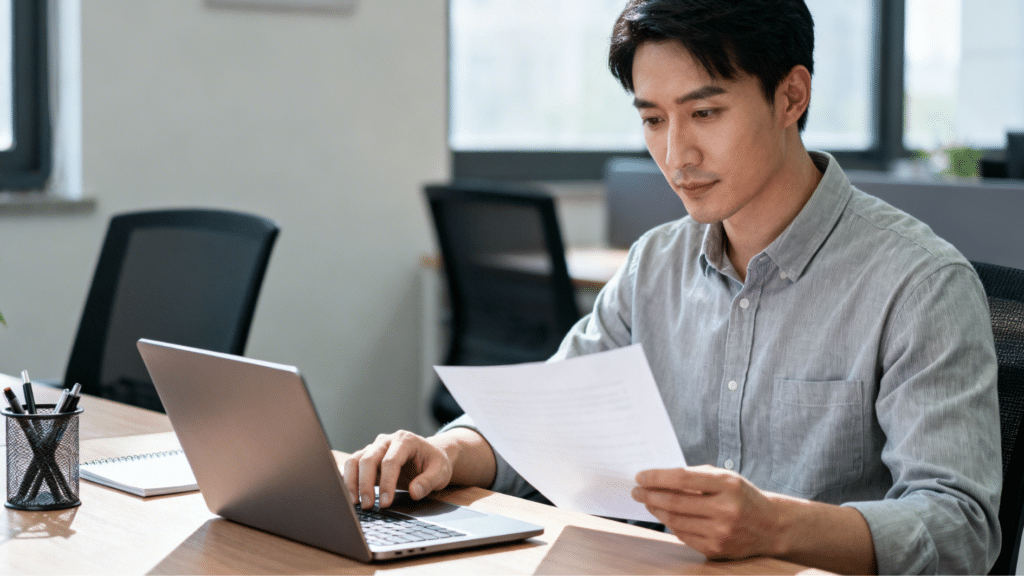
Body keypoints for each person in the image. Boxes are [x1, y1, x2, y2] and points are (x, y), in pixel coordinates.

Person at [344, 0, 1002, 573]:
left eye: (705, 112)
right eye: (653, 119)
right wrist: (444, 451)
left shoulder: (919, 286)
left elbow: (962, 532)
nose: (676, 154)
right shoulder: (653, 265)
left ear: (791, 97)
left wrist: (777, 526)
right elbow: (541, 424)